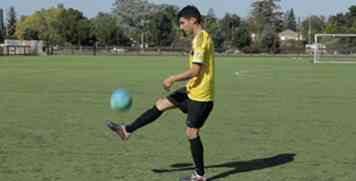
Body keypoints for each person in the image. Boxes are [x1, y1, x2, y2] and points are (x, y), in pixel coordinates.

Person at [107, 5, 215, 181]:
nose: (180, 27)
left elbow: (195, 70)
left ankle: (200, 176)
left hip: (201, 97)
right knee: (161, 104)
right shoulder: (199, 38)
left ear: (193, 20)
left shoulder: (201, 40)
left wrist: (172, 78)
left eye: (182, 23)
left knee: (191, 133)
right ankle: (126, 130)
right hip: (192, 91)